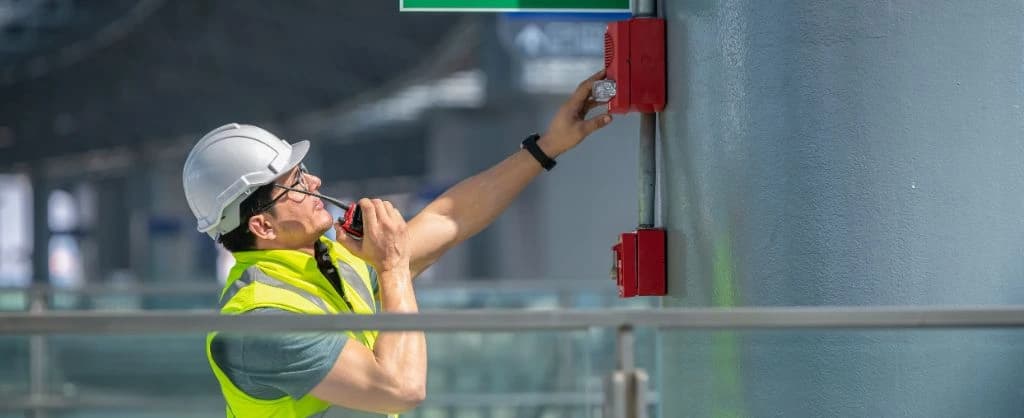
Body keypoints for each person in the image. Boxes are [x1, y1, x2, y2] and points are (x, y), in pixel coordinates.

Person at [181, 70, 613, 417]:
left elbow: (450, 216)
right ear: (263, 227)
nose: (314, 183)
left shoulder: (335, 261)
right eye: (294, 185)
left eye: (303, 171)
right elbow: (400, 389)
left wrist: (549, 145)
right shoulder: (258, 324)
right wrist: (392, 267)